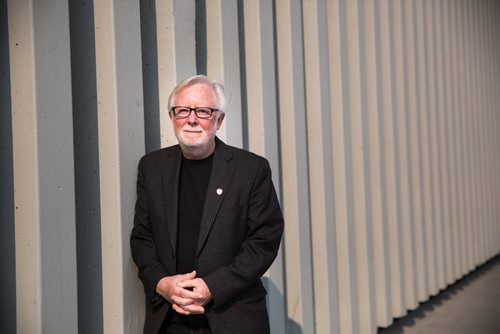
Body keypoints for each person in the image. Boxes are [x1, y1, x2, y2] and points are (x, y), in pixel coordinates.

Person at [130, 75, 284, 334]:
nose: (191, 119)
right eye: (183, 111)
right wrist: (161, 283)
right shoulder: (152, 167)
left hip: (231, 317)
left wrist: (213, 286)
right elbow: (142, 238)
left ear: (219, 119)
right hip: (169, 319)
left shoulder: (251, 169)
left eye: (203, 111)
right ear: (172, 117)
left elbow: (264, 241)